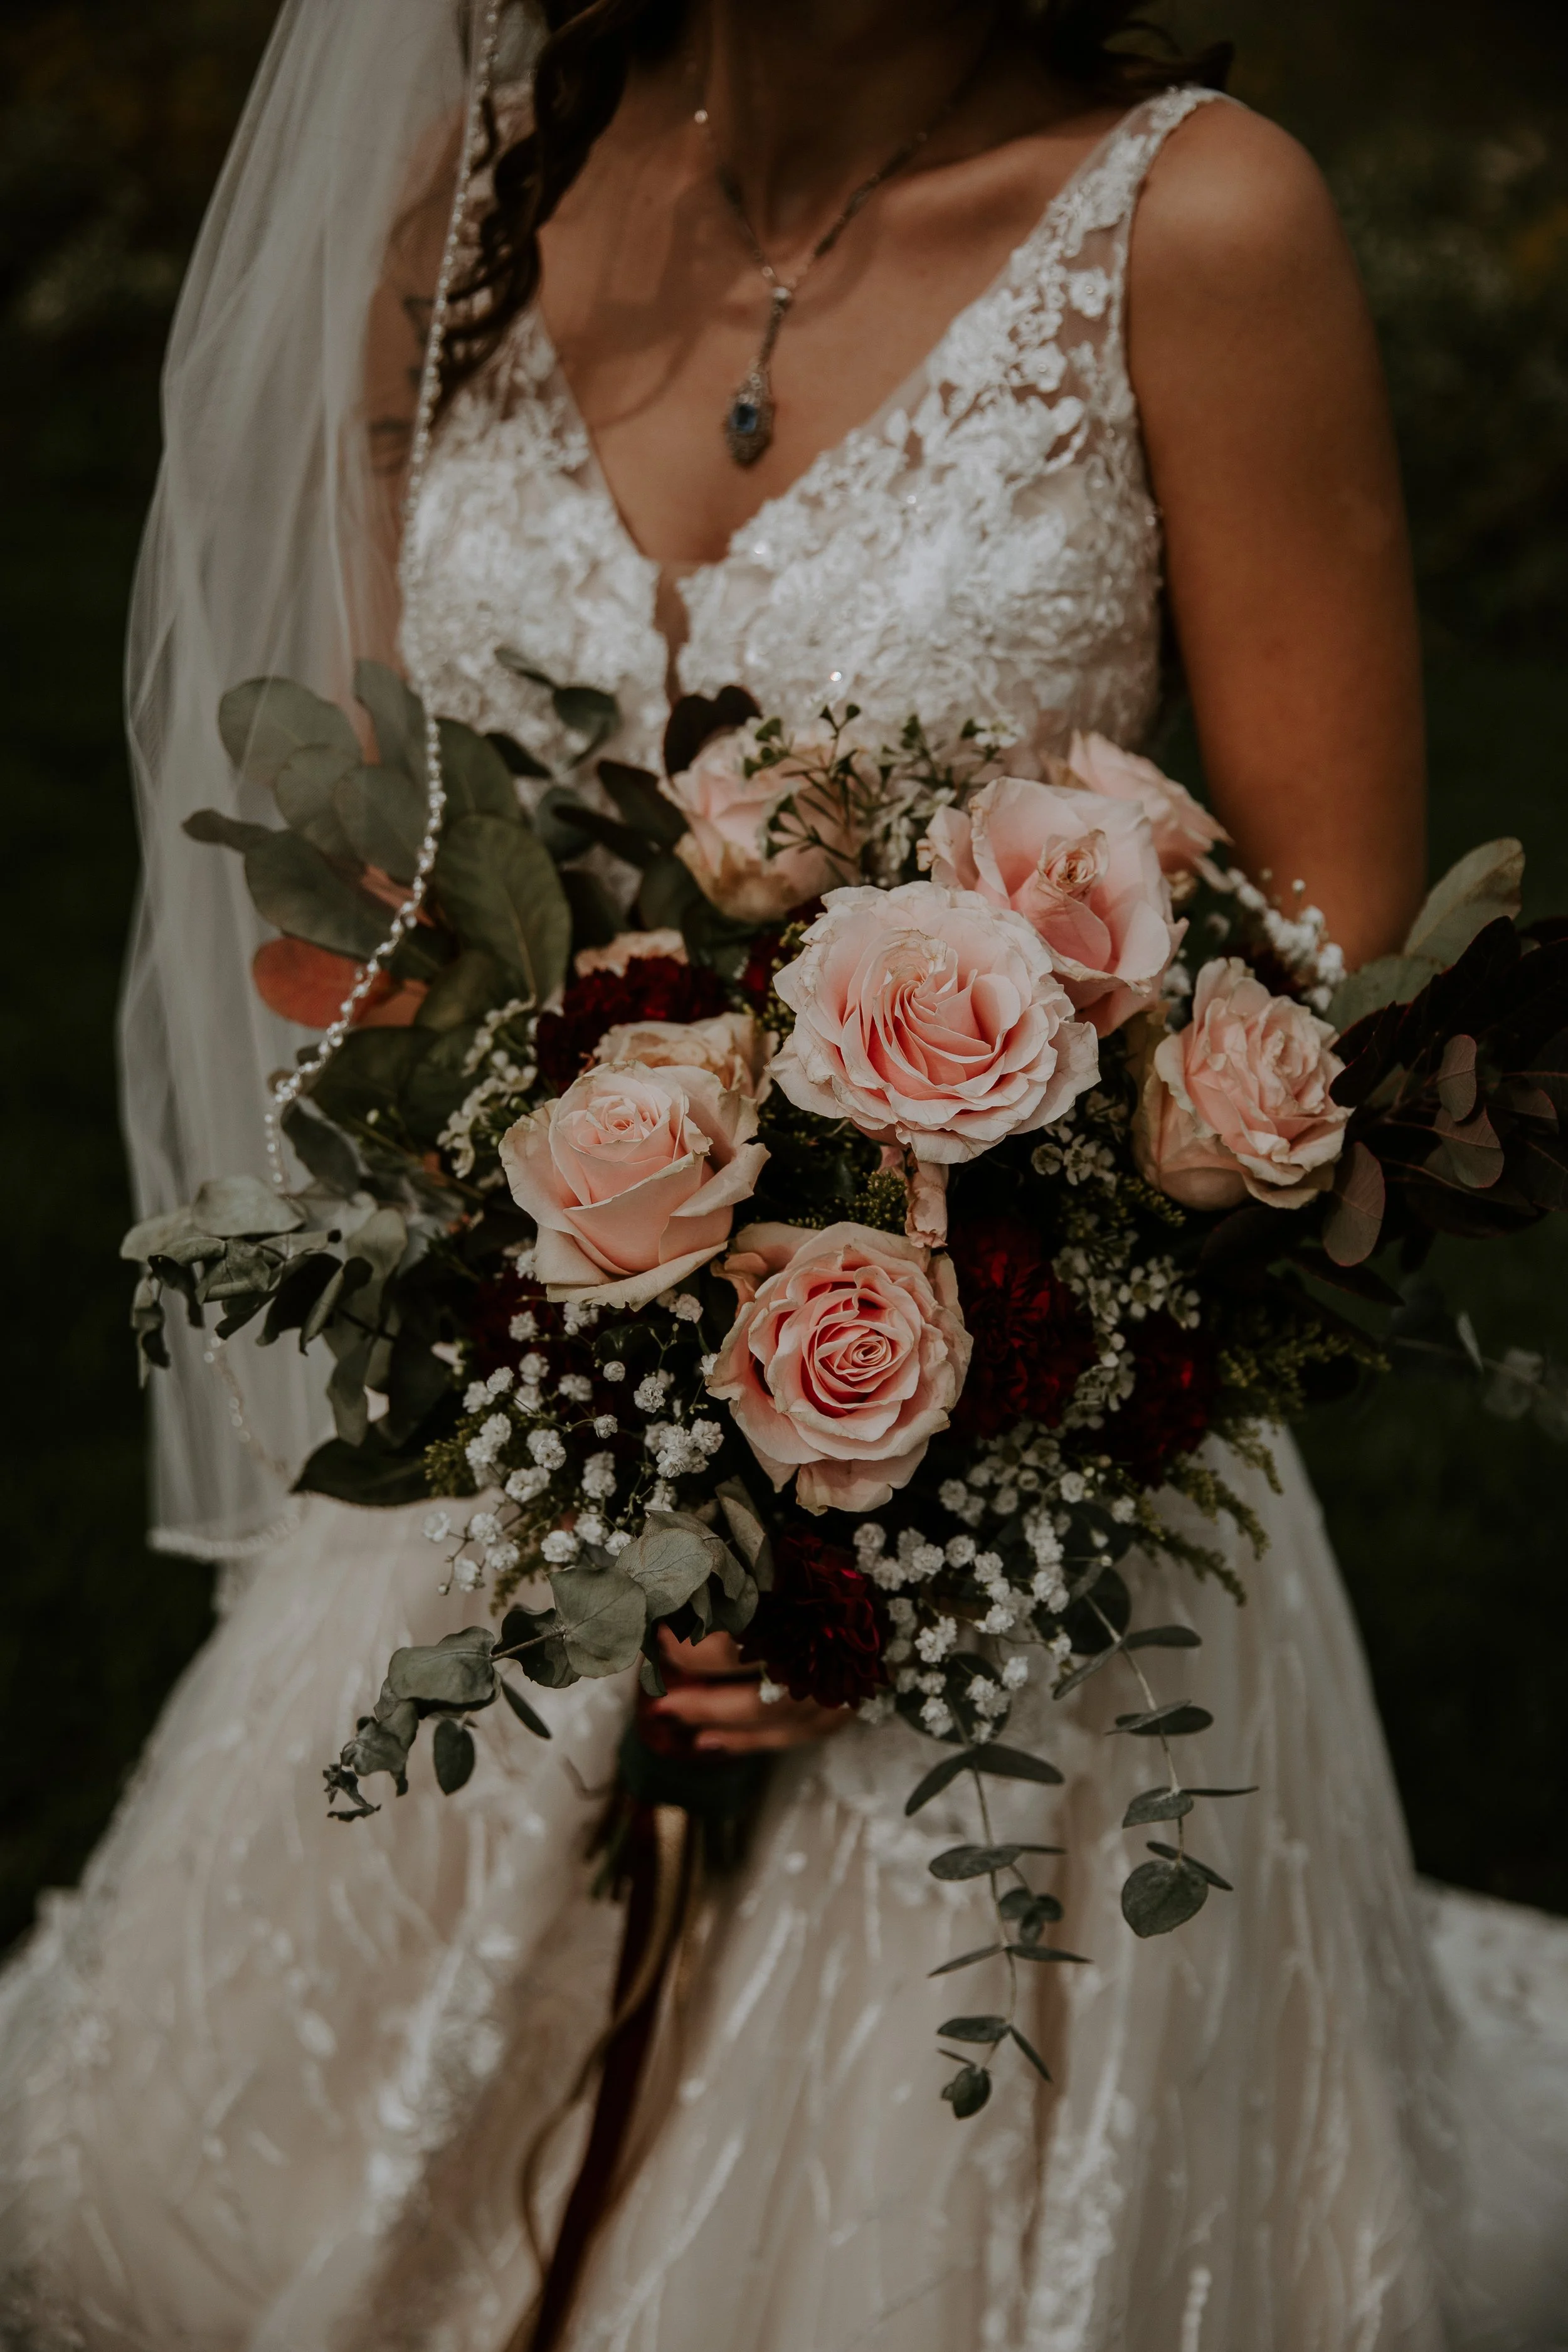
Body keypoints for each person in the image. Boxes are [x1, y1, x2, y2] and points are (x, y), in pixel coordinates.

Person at [1, 3, 1565, 2346]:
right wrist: (564, 1314)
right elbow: (350, 911)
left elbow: (1320, 994)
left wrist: (909, 1487)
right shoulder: (473, 195)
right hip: (530, 1418)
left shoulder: (1195, 222)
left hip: (1023, 1488)